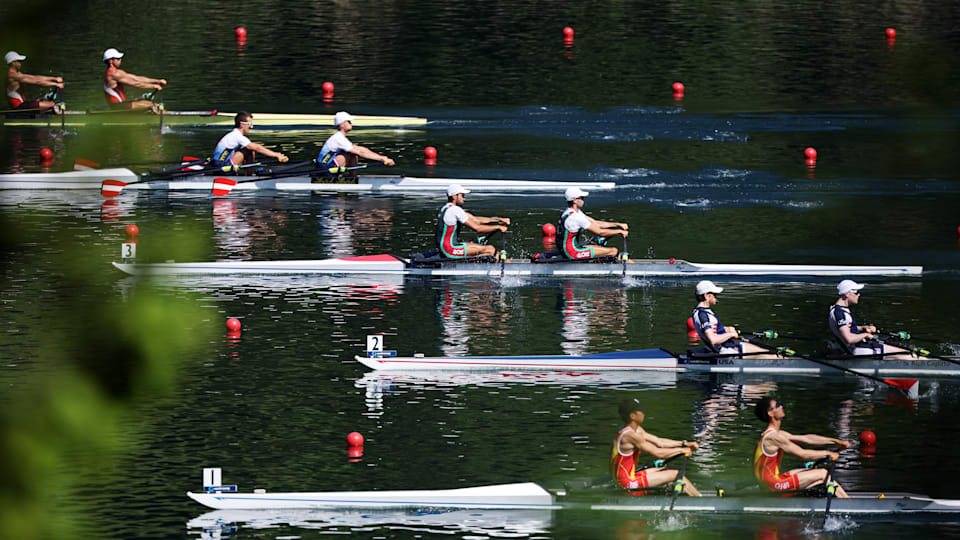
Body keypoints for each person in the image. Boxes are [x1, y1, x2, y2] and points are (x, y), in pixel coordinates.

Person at [753, 396, 850, 497]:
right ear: (770, 413)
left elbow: (807, 439)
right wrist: (828, 453)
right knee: (822, 474)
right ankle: (848, 504)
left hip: (772, 481)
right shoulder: (773, 437)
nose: (781, 406)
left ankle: (832, 497)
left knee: (808, 471)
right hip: (772, 485)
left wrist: (837, 442)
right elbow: (803, 454)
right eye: (777, 405)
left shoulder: (777, 434)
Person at [611, 398, 701, 496]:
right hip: (627, 484)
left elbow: (659, 442)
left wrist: (684, 444)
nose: (643, 413)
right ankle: (702, 502)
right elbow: (658, 453)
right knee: (675, 474)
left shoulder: (634, 430)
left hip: (629, 477)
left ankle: (690, 496)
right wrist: (681, 451)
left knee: (666, 470)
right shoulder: (630, 436)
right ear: (632, 416)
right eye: (640, 410)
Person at [828, 280, 916, 360]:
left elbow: (847, 327)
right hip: (861, 350)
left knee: (903, 351)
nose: (859, 295)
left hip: (858, 347)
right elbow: (849, 339)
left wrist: (863, 328)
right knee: (909, 355)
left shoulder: (836, 309)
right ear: (847, 294)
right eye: (856, 292)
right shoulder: (841, 314)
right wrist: (865, 335)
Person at [691, 280, 779, 358]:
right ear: (707, 296)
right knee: (772, 355)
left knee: (768, 353)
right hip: (727, 350)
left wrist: (726, 329)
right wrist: (731, 334)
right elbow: (713, 340)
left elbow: (711, 329)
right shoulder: (703, 315)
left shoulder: (699, 312)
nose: (716, 297)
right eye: (714, 294)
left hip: (729, 345)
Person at [436, 184, 510, 258]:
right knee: (490, 249)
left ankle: (481, 261)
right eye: (462, 195)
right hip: (449, 249)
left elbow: (476, 220)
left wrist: (499, 219)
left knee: (483, 248)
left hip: (445, 248)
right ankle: (475, 265)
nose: (464, 198)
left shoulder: (446, 208)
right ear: (454, 196)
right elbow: (477, 228)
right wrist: (498, 227)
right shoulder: (455, 210)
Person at [315, 111, 395, 174]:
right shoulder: (339, 138)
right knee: (353, 153)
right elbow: (360, 153)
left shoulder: (341, 138)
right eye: (349, 121)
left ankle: (353, 178)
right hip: (324, 169)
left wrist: (383, 157)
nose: (351, 123)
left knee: (353, 152)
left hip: (326, 166)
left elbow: (361, 149)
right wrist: (381, 159)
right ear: (342, 124)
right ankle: (353, 179)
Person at [559, 187, 628, 259]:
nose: (583, 200)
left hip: (570, 249)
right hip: (572, 253)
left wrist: (617, 224)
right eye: (582, 198)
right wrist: (620, 232)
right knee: (613, 251)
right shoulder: (575, 217)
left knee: (598, 247)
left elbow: (595, 223)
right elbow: (600, 232)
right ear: (575, 200)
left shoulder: (570, 212)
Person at [212, 111, 289, 171]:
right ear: (242, 124)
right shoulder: (236, 136)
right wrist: (276, 155)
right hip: (221, 168)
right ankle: (248, 176)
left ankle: (248, 175)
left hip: (218, 165)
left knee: (249, 150)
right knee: (250, 149)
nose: (251, 127)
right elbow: (257, 148)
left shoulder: (233, 135)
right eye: (250, 124)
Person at [102, 48, 166, 110]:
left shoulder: (119, 72)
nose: (120, 60)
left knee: (150, 103)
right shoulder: (113, 74)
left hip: (122, 104)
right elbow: (135, 83)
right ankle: (167, 117)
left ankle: (164, 115)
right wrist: (154, 86)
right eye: (118, 58)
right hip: (118, 106)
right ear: (110, 61)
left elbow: (137, 78)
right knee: (151, 105)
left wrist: (158, 81)